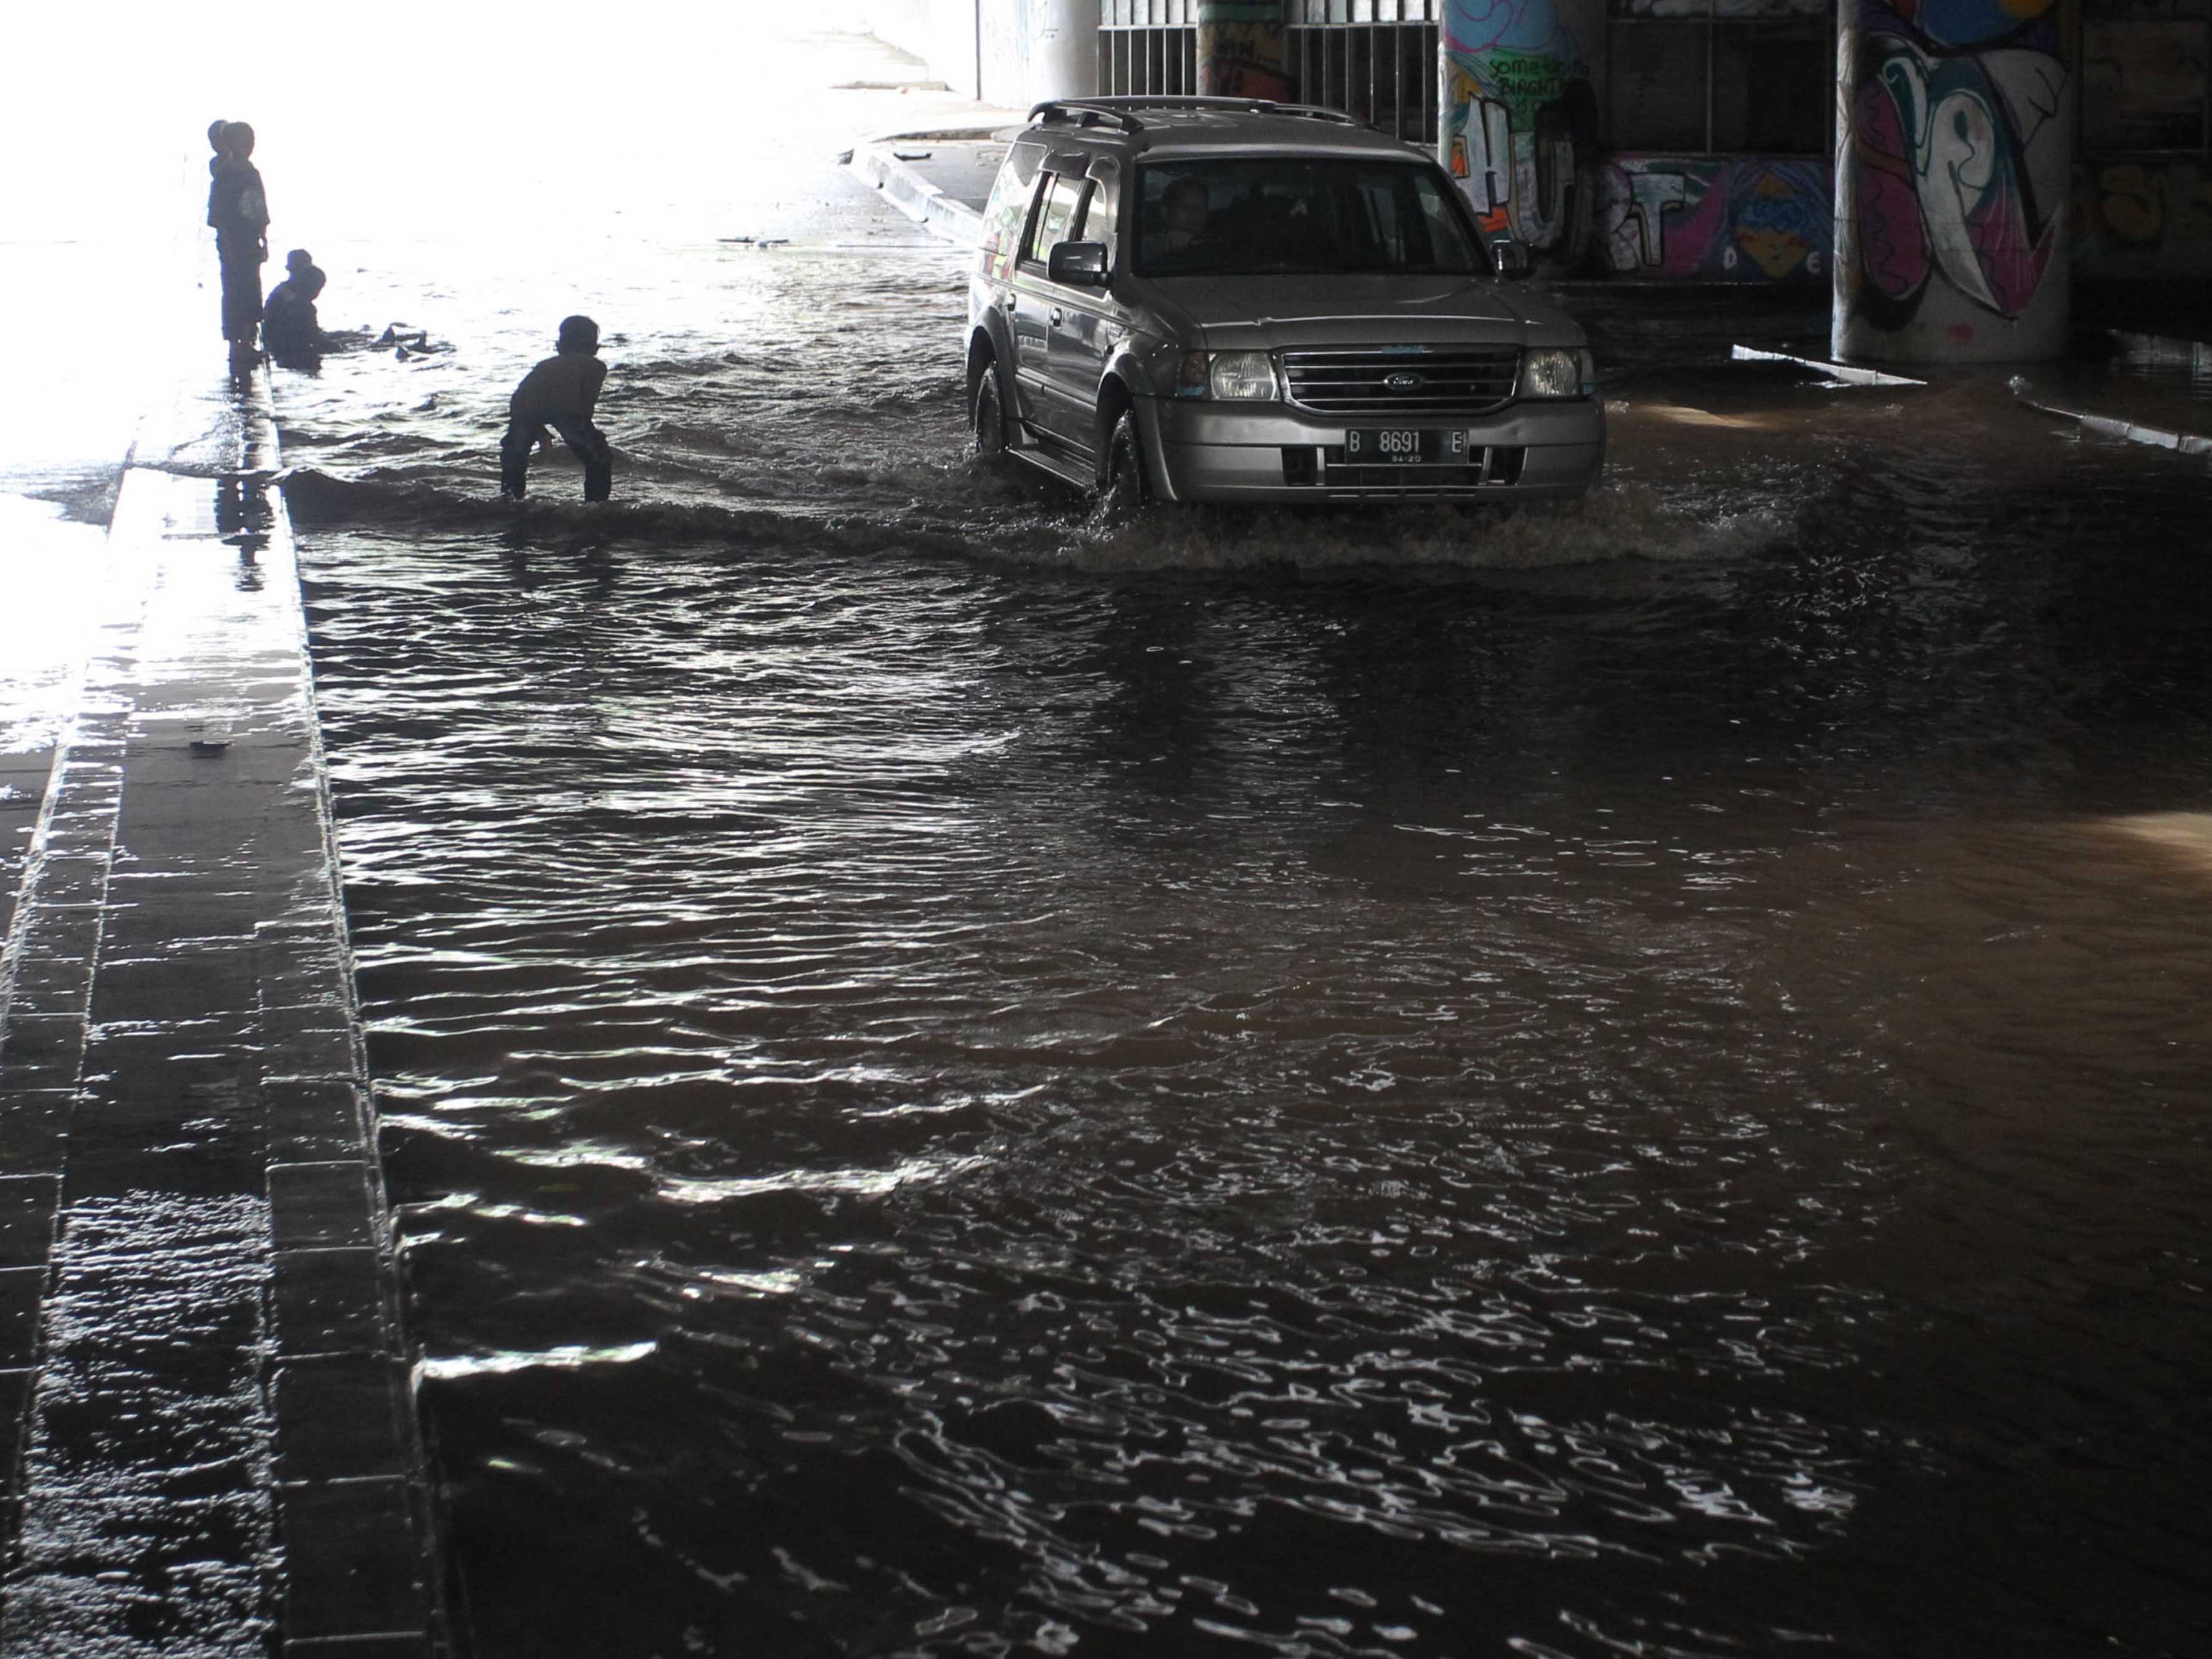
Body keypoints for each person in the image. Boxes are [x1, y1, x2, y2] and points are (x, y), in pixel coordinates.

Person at [500, 315, 612, 502]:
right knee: (599, 459)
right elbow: (587, 402)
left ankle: (509, 501)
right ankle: (596, 505)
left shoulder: (545, 365)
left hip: (526, 411)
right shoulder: (595, 366)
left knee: (514, 460)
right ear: (595, 347)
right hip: (569, 412)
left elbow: (521, 396)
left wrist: (538, 428)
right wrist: (586, 430)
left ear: (559, 344)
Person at [207, 121, 269, 349]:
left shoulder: (252, 173)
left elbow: (260, 208)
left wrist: (263, 240)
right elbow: (220, 217)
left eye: (250, 142)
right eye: (243, 143)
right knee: (234, 288)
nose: (248, 147)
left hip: (250, 240)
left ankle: (249, 334)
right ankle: (237, 339)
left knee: (252, 286)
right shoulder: (225, 176)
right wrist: (229, 245)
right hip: (232, 240)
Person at [262, 249, 325, 363]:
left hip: (276, 339)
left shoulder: (283, 292)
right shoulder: (298, 304)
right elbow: (311, 335)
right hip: (286, 344)